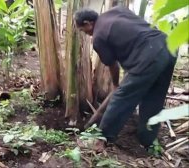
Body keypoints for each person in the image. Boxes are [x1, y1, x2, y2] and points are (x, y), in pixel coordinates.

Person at [74, 6, 176, 152]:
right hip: (168, 45)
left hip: (148, 54)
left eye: (84, 30)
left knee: (123, 97)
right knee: (154, 98)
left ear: (88, 23)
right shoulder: (117, 10)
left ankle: (101, 138)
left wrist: (116, 85)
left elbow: (112, 65)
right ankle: (148, 141)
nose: (87, 34)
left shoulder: (98, 36)